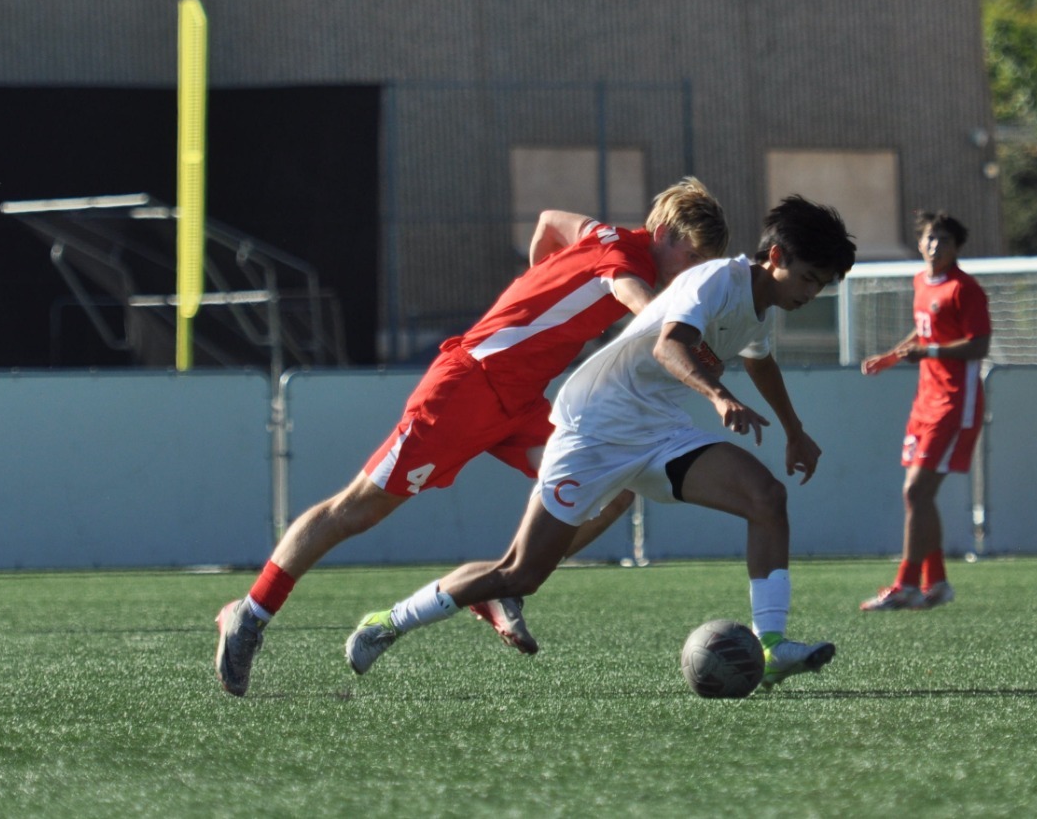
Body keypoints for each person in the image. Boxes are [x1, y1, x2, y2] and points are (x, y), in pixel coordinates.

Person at [215, 177, 729, 696]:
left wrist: (537, 284)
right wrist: (681, 332)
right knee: (359, 509)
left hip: (521, 399)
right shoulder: (632, 262)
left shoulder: (601, 233)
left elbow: (550, 219)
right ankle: (251, 611)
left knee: (612, 492)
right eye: (689, 258)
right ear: (662, 232)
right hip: (468, 387)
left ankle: (499, 586)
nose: (687, 274)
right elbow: (635, 297)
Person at [344, 195, 858, 690]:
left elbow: (759, 359)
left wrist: (795, 431)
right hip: (593, 426)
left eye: (822, 283)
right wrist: (720, 398)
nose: (811, 292)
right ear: (775, 258)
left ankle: (771, 647)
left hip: (657, 428)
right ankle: (390, 621)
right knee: (518, 574)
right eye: (809, 278)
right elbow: (668, 345)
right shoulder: (715, 280)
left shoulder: (762, 309)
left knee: (766, 498)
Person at [858, 210, 991, 611]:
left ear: (956, 248)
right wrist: (894, 356)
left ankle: (907, 585)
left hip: (955, 401)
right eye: (930, 239)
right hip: (925, 400)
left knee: (916, 491)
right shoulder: (921, 282)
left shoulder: (965, 289)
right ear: (919, 244)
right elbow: (925, 330)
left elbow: (978, 344)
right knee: (920, 496)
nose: (935, 246)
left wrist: (928, 352)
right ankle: (936, 583)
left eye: (944, 240)